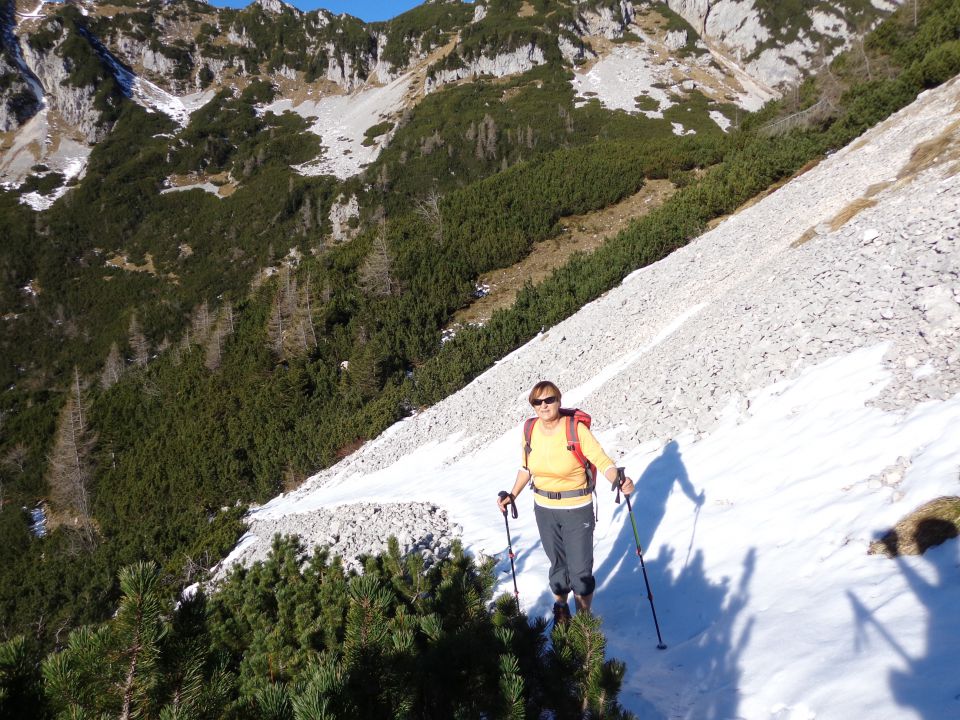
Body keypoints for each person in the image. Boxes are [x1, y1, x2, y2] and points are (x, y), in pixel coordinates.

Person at [497, 380, 634, 625]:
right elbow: (526, 468)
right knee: (557, 564)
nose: (544, 405)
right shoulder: (530, 429)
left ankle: (583, 621)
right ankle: (561, 608)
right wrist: (512, 494)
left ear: (559, 400)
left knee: (580, 568)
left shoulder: (575, 429)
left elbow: (602, 461)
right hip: (544, 508)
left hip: (576, 507)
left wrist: (619, 480)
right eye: (537, 402)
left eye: (549, 399)